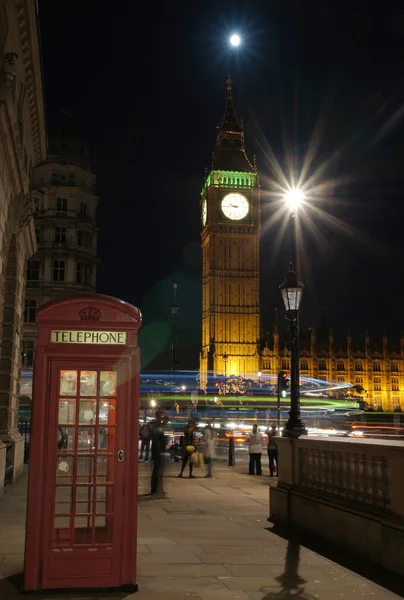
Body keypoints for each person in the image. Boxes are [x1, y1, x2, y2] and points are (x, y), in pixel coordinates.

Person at [149, 410, 169, 497]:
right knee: (158, 470)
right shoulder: (157, 425)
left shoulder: (155, 424)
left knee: (157, 470)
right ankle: (156, 490)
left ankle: (155, 489)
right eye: (161, 414)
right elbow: (159, 435)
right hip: (158, 450)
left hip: (158, 449)